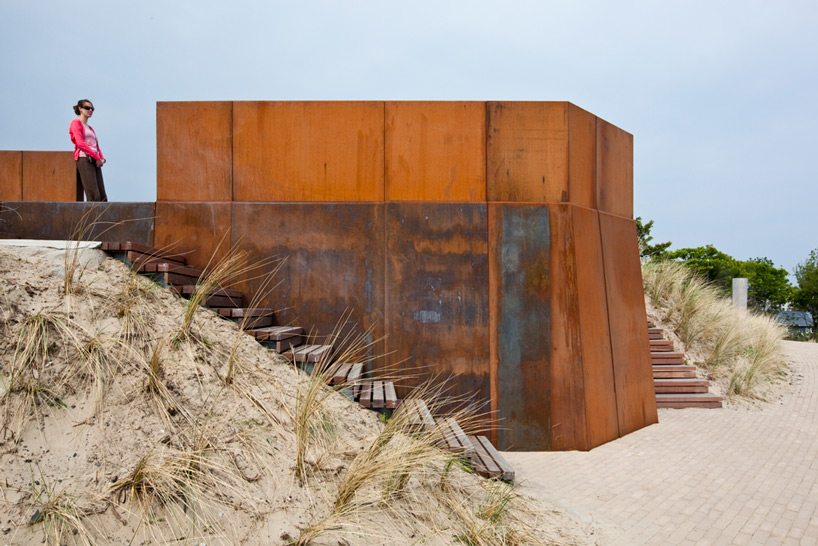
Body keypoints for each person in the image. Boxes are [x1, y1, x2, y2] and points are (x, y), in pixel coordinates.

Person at [69, 99, 108, 202]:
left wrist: (101, 158)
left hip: (95, 160)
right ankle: (92, 217)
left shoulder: (90, 128)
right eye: (87, 108)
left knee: (102, 194)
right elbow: (80, 143)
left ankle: (103, 217)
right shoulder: (76, 122)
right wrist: (97, 158)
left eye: (92, 109)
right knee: (93, 193)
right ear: (80, 109)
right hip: (84, 158)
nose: (90, 110)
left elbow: (96, 145)